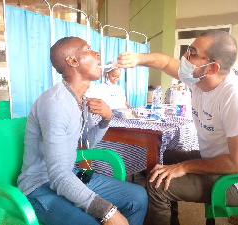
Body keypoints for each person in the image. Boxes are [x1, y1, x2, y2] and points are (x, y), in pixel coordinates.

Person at [117, 30, 238, 225]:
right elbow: (165, 62)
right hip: (216, 161)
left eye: (192, 53)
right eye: (188, 50)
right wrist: (137, 58)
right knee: (159, 159)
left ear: (212, 68)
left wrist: (184, 167)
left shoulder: (237, 96)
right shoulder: (198, 79)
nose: (184, 57)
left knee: (157, 184)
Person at [17, 37, 148, 225]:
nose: (97, 54)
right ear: (72, 61)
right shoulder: (56, 103)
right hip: (39, 187)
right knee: (96, 220)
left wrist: (106, 119)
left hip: (68, 175)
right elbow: (58, 176)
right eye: (88, 49)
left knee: (138, 196)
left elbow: (86, 145)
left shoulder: (81, 101)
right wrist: (108, 212)